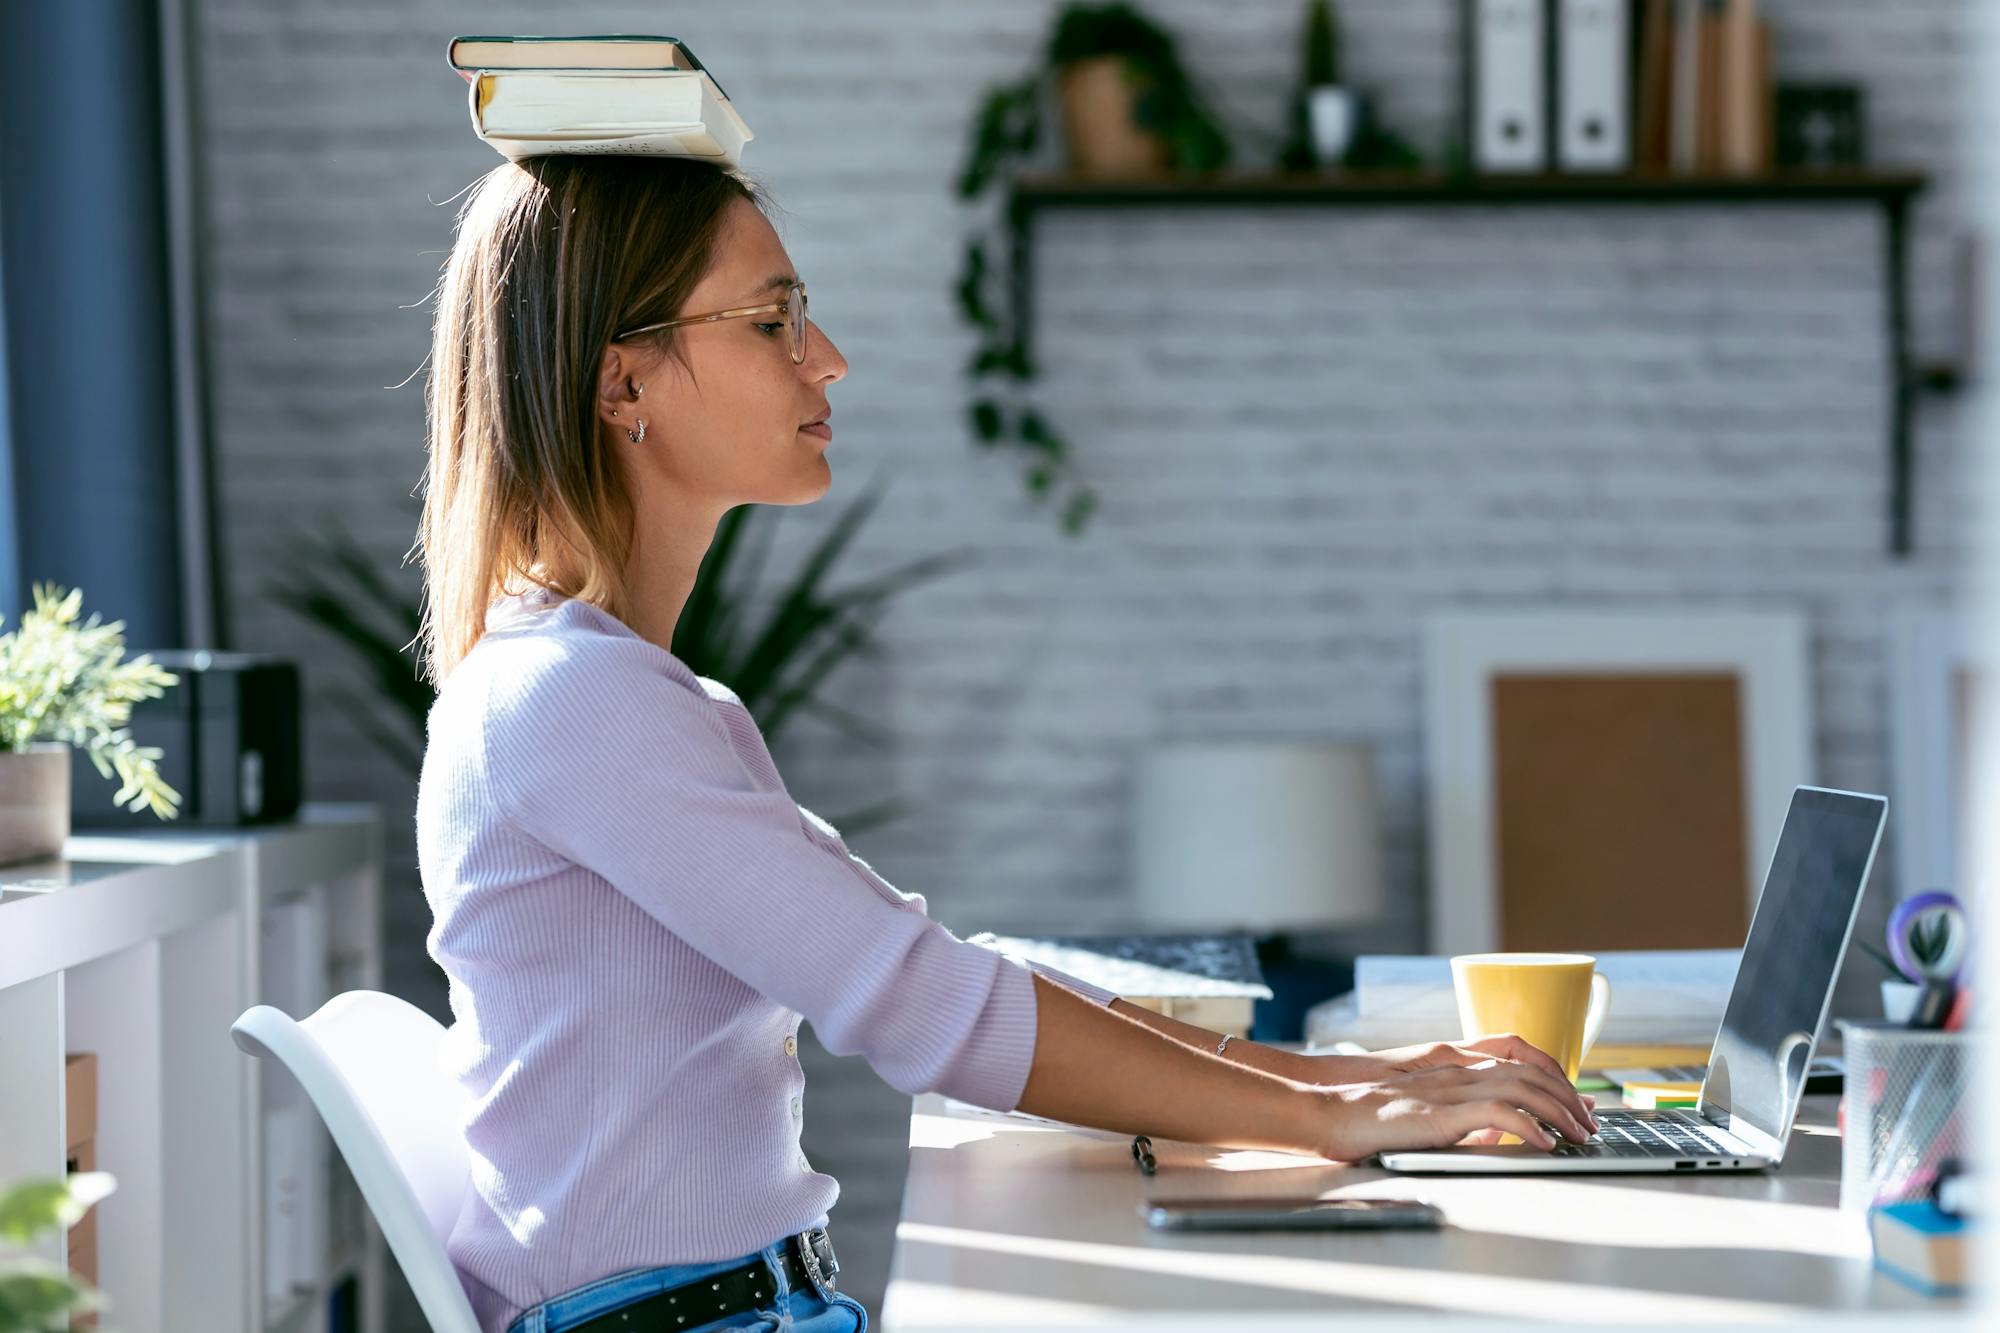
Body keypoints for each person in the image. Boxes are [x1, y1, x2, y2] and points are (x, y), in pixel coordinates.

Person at [413, 155, 1598, 1333]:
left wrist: (1350, 1081)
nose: (825, 360)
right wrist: (1333, 1121)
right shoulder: (571, 701)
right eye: (772, 321)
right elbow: (923, 1002)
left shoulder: (634, 697)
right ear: (625, 384)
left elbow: (925, 963)